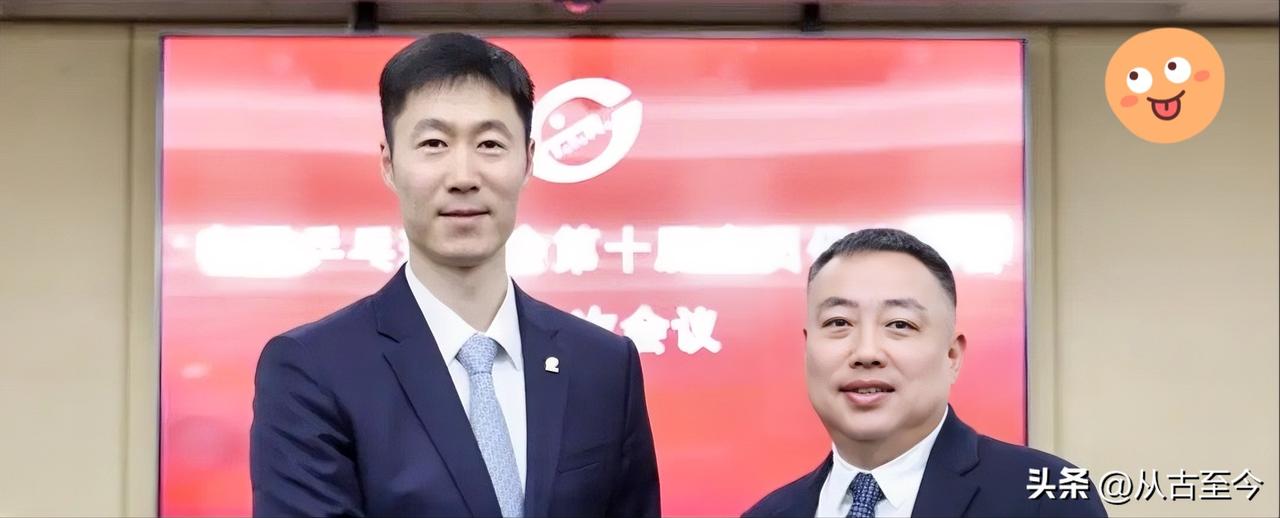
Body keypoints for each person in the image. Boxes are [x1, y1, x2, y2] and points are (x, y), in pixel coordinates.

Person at [249, 33, 660, 518]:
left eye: (489, 144)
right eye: (434, 144)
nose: (463, 176)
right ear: (389, 163)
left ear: (528, 160)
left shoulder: (604, 366)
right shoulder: (313, 369)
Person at [744, 228, 1105, 518]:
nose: (867, 353)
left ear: (951, 356)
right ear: (807, 348)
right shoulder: (768, 514)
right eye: (839, 322)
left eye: (900, 324)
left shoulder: (1046, 499)